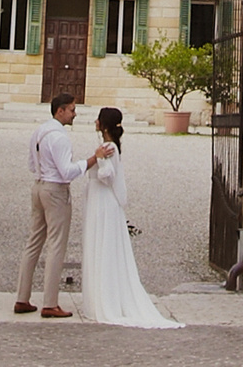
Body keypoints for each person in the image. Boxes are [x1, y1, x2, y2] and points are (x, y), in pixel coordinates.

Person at [75, 107, 181, 327]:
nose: (94, 122)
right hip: (100, 199)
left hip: (103, 200)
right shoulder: (111, 146)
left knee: (103, 246)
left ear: (103, 125)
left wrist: (98, 159)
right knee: (103, 246)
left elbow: (107, 176)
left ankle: (105, 300)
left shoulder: (107, 147)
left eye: (98, 119)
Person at [15, 93, 86, 316]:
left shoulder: (39, 132)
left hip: (38, 186)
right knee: (56, 244)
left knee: (33, 242)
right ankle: (50, 302)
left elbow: (30, 163)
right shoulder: (60, 137)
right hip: (55, 190)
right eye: (72, 110)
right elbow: (67, 172)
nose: (75, 114)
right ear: (60, 111)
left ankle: (22, 297)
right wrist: (90, 161)